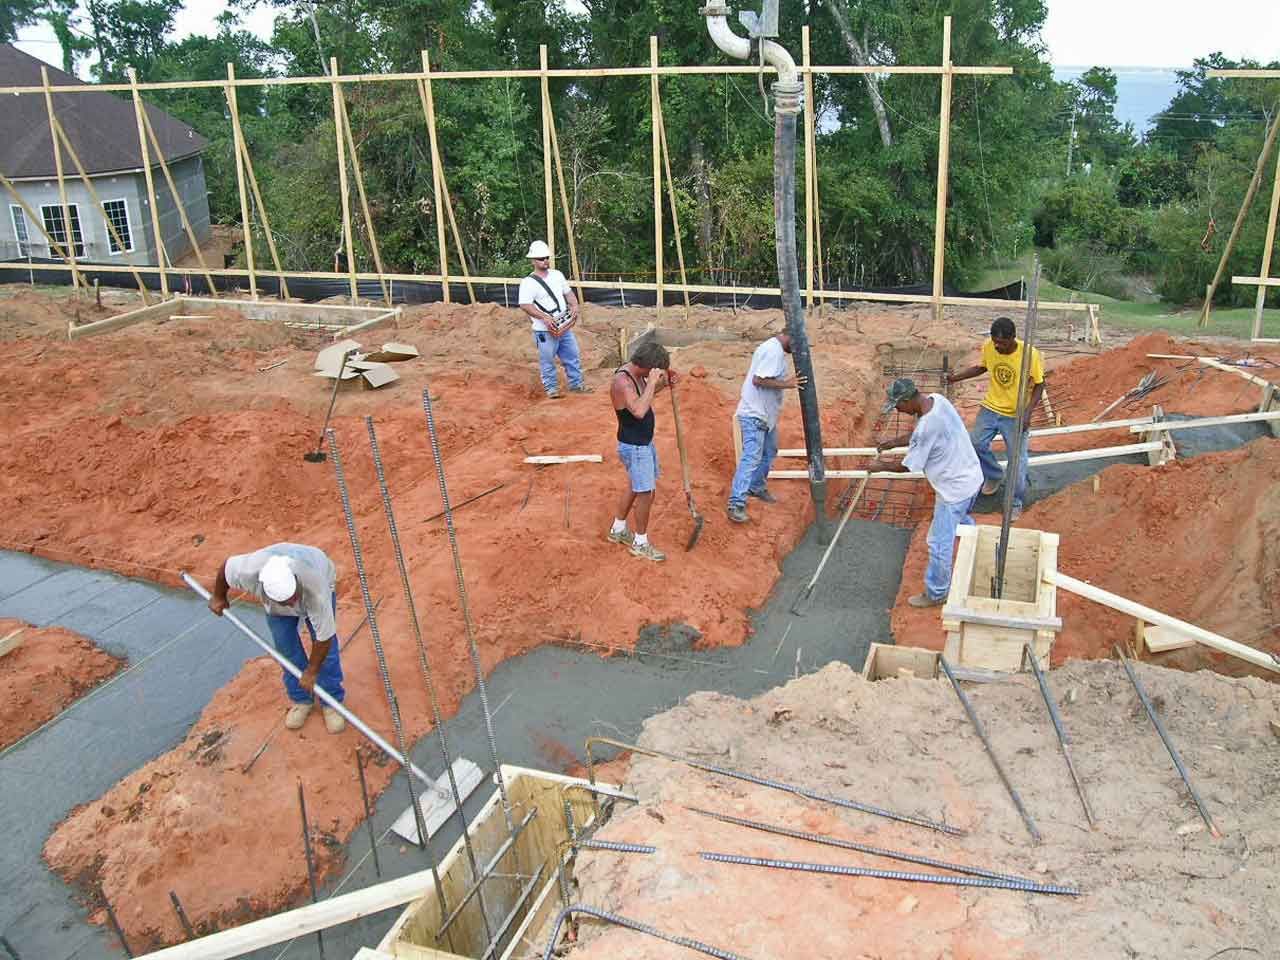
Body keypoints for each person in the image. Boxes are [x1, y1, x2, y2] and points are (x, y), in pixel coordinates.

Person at [209, 543, 347, 734]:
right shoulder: (250, 571)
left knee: (327, 653)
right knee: (286, 648)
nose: (292, 604)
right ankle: (301, 700)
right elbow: (226, 568)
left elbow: (324, 638)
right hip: (275, 604)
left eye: (292, 598)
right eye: (286, 601)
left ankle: (331, 700)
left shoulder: (316, 588)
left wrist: (312, 671)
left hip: (315, 574)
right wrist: (218, 596)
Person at [870, 378, 982, 608]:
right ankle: (975, 544)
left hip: (953, 490)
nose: (899, 411)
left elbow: (909, 465)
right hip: (972, 477)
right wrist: (893, 442)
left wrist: (879, 467)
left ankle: (937, 592)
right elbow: (922, 435)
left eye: (898, 406)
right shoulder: (938, 401)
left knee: (939, 543)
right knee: (961, 519)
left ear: (907, 400)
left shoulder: (925, 428)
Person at [947, 316, 1045, 520]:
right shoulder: (989, 347)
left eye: (1002, 343)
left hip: (1015, 414)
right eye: (995, 341)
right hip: (991, 407)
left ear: (1013, 339)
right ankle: (993, 474)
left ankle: (1015, 502)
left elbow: (1039, 384)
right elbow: (982, 367)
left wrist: (1027, 413)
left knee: (1017, 461)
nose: (997, 346)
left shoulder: (1029, 355)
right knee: (975, 444)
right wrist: (956, 377)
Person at [607, 339, 677, 562]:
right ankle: (640, 542)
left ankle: (618, 529)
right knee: (646, 492)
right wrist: (651, 383)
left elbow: (644, 398)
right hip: (634, 446)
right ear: (646, 367)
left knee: (636, 486)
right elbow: (638, 410)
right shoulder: (622, 381)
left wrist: (663, 383)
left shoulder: (637, 374)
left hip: (641, 443)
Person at [725, 332, 807, 523]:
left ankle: (756, 486)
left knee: (770, 451)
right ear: (788, 336)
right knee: (751, 457)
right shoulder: (773, 352)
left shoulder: (774, 348)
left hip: (765, 416)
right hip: (754, 414)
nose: (794, 351)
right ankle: (736, 503)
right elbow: (758, 380)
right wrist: (787, 384)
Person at [517, 240, 589, 399]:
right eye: (541, 258)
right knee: (547, 359)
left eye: (546, 257)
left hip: (563, 325)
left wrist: (575, 305)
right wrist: (543, 317)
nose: (545, 261)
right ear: (533, 260)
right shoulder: (528, 283)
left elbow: (568, 293)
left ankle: (576, 384)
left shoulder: (557, 275)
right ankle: (551, 389)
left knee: (572, 355)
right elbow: (525, 304)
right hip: (544, 330)